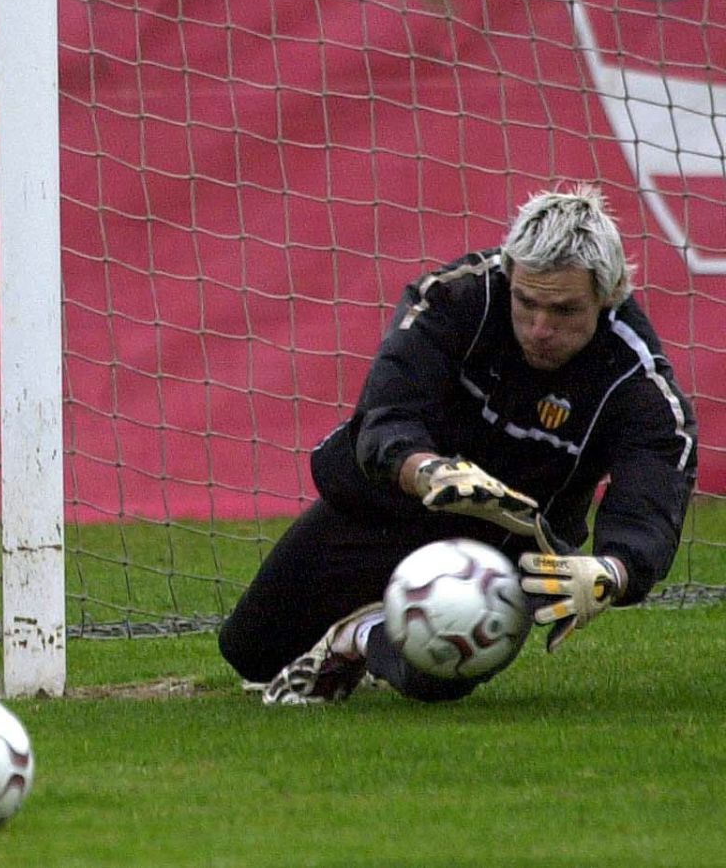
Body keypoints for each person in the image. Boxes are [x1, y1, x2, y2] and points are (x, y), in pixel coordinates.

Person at [219, 185, 697, 705]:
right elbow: (384, 417)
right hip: (390, 505)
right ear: (510, 274)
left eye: (563, 311)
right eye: (527, 302)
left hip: (503, 548)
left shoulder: (638, 382)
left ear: (609, 296)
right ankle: (370, 619)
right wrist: (430, 472)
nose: (539, 328)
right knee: (249, 653)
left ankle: (357, 636)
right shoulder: (454, 297)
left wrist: (611, 571)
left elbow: (650, 505)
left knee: (438, 674)